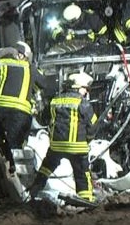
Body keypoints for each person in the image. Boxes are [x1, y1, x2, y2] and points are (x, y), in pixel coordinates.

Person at [0, 41, 52, 161]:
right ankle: (12, 168)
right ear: (22, 55)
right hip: (20, 114)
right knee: (14, 148)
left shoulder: (2, 63)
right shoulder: (30, 69)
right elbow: (44, 84)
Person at [28, 72, 98, 202]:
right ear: (77, 87)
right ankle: (86, 198)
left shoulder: (54, 101)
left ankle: (33, 191)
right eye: (85, 89)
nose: (86, 92)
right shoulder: (83, 103)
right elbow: (93, 124)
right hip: (78, 148)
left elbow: (43, 119)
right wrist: (87, 139)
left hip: (56, 146)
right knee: (82, 174)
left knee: (46, 168)